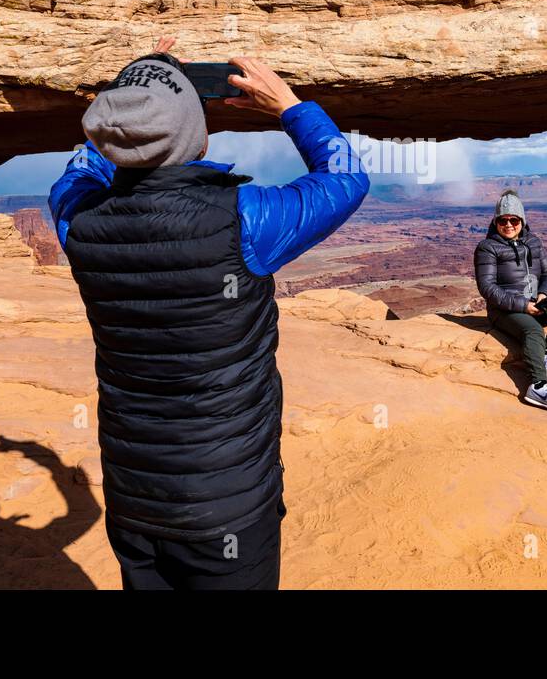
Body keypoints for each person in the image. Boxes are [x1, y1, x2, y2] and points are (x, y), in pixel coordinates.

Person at [49, 36, 368, 589]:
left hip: (135, 499)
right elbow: (344, 178)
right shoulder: (242, 221)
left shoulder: (78, 219)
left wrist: (139, 85)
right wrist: (289, 106)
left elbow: (86, 164)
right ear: (196, 136)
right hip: (228, 505)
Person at [473, 189, 547, 413]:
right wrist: (523, 306)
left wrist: (543, 296)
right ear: (496, 221)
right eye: (503, 220)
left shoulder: (533, 242)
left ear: (522, 220)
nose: (508, 224)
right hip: (505, 311)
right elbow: (487, 288)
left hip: (534, 302)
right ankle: (538, 386)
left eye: (513, 219)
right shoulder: (487, 247)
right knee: (533, 331)